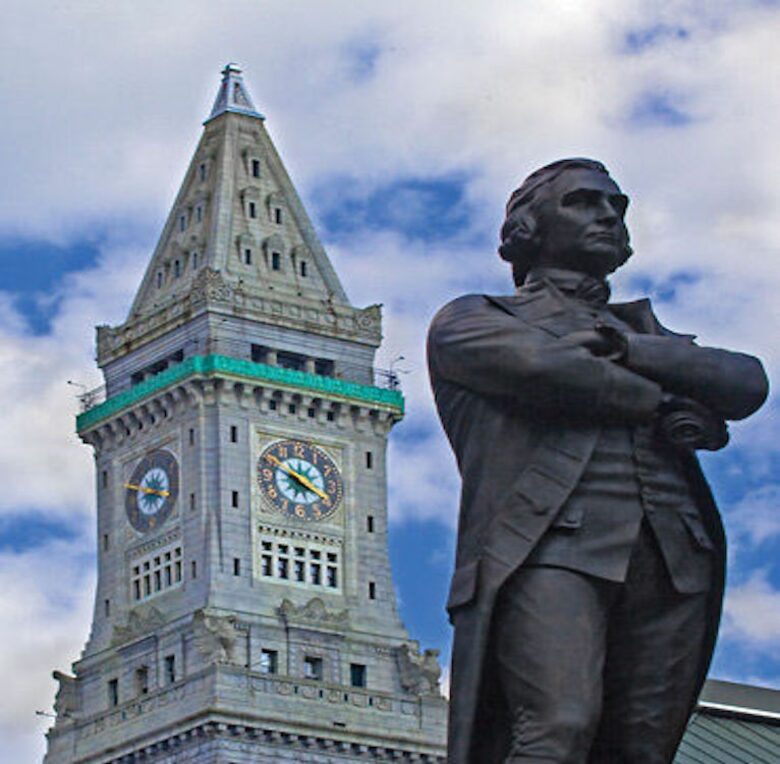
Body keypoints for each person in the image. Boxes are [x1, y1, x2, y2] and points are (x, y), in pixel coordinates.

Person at [426, 159, 768, 764]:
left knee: (641, 748)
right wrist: (663, 398)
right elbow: (548, 372)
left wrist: (626, 345)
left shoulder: (645, 336)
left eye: (616, 206)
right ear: (528, 228)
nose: (608, 215)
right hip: (548, 547)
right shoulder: (474, 318)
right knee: (557, 726)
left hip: (671, 556)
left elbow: (747, 381)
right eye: (584, 202)